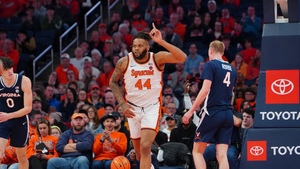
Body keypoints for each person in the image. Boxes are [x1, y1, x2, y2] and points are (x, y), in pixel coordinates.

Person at [109, 23, 187, 169]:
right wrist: (122, 103)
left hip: (151, 108)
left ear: (148, 47)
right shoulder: (124, 62)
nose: (136, 48)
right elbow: (113, 82)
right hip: (132, 109)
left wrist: (161, 42)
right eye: (134, 46)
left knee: (146, 146)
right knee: (139, 154)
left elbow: (182, 57)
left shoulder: (157, 58)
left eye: (140, 45)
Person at [182, 40, 237, 169]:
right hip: (228, 113)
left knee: (197, 151)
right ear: (223, 53)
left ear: (210, 51)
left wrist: (190, 111)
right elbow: (232, 93)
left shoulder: (211, 65)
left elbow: (205, 89)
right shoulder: (232, 69)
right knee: (222, 155)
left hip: (212, 112)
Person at [0, 57, 33, 169]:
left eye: (10, 67)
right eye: (5, 69)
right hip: (2, 120)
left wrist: (9, 115)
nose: (10, 71)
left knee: (22, 157)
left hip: (20, 120)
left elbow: (28, 108)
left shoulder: (24, 81)